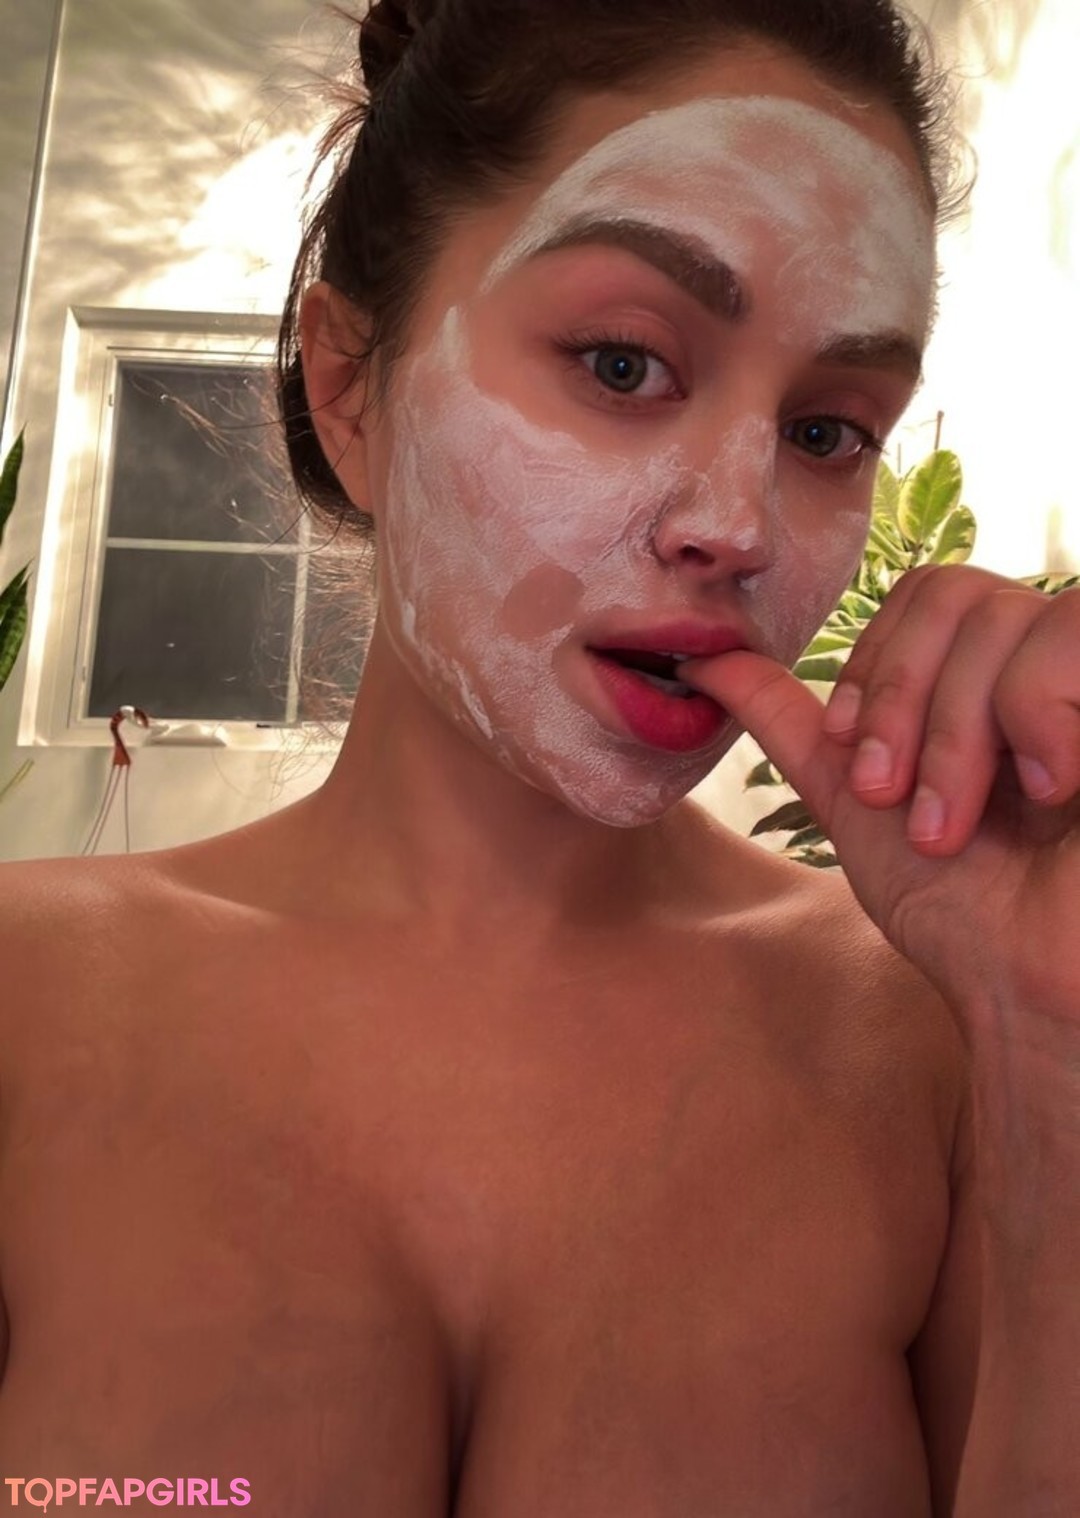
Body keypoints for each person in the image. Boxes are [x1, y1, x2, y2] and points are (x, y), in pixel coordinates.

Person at [0, 0, 1076, 1513]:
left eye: (830, 431)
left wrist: (1054, 1060)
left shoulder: (953, 1049)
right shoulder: (26, 1006)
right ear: (349, 384)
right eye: (625, 363)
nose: (739, 526)